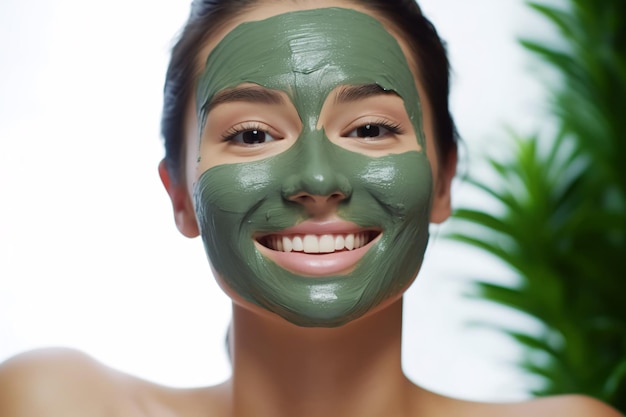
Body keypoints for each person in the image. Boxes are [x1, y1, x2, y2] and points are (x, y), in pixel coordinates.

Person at [0, 0, 622, 416]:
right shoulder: (59, 401)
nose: (317, 179)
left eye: (371, 129)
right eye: (250, 135)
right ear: (181, 197)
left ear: (443, 179)